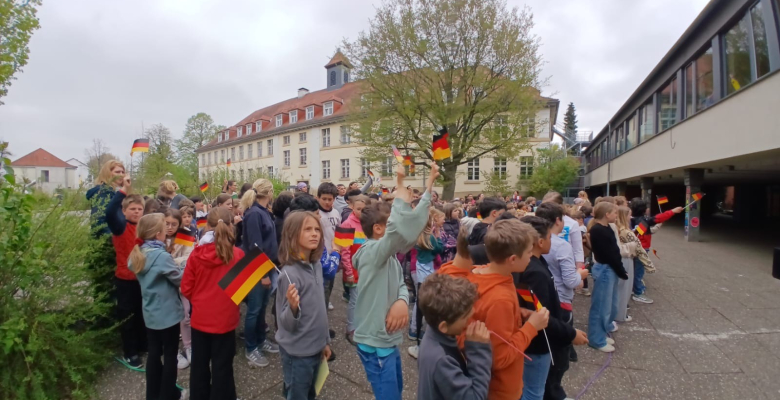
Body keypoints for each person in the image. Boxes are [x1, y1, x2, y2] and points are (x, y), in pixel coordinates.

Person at [353, 163, 439, 400]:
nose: (395, 223)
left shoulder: (389, 258)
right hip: (375, 345)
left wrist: (402, 301)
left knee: (395, 392)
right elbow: (397, 230)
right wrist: (400, 190)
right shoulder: (372, 253)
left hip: (386, 342)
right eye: (389, 221)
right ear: (378, 228)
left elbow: (401, 283)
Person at [460, 218, 549, 400]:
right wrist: (532, 327)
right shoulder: (500, 299)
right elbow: (499, 358)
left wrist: (519, 314)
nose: (531, 256)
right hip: (500, 390)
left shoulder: (478, 273)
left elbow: (487, 320)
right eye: (529, 252)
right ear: (513, 259)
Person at [515, 216, 588, 400]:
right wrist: (571, 334)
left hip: (539, 340)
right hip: (538, 345)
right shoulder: (535, 272)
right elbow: (541, 315)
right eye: (550, 237)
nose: (552, 241)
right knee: (534, 391)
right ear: (539, 242)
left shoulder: (537, 264)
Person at [181, 208, 242, 400]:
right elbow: (242, 289)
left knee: (199, 364)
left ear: (207, 225)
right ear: (231, 226)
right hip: (226, 319)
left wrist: (201, 300)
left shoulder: (197, 254)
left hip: (201, 318)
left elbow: (186, 288)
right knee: (222, 365)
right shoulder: (238, 255)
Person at [275, 211, 333, 400]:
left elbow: (319, 310)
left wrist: (324, 341)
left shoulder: (315, 265)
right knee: (297, 394)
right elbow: (284, 324)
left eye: (317, 229)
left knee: (310, 392)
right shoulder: (289, 275)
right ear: (292, 234)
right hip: (298, 353)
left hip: (315, 347)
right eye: (307, 229)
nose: (315, 233)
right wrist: (292, 308)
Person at [128, 213, 185, 400]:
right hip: (168, 314)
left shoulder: (139, 253)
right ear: (158, 233)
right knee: (170, 355)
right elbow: (180, 280)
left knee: (154, 353)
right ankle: (169, 394)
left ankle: (152, 394)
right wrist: (184, 265)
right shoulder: (160, 256)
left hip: (150, 313)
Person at [416, 273, 492, 400]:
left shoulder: (432, 332)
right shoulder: (442, 360)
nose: (471, 316)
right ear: (443, 326)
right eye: (465, 317)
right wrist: (479, 349)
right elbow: (475, 397)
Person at [536, 203, 588, 369]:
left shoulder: (534, 242)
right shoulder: (561, 246)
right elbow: (570, 281)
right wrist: (580, 275)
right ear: (558, 220)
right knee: (559, 346)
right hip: (562, 300)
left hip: (543, 298)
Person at [105, 176, 147, 369]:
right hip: (125, 279)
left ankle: (142, 345)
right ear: (124, 211)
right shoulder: (120, 226)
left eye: (140, 209)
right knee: (127, 317)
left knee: (141, 314)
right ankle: (130, 352)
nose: (137, 212)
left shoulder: (143, 227)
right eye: (133, 209)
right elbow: (109, 211)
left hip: (142, 278)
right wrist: (123, 190)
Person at [240, 179, 280, 367]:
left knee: (262, 306)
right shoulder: (255, 214)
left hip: (267, 266)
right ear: (270, 193)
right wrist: (263, 274)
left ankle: (261, 339)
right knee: (254, 310)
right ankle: (251, 348)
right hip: (257, 269)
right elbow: (255, 246)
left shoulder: (263, 212)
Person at [587, 202, 634, 353]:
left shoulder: (607, 228)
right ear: (606, 214)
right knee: (602, 307)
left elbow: (613, 251)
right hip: (606, 269)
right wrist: (621, 270)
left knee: (611, 305)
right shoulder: (598, 230)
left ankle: (601, 332)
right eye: (614, 213)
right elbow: (610, 254)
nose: (616, 215)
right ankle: (596, 339)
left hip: (610, 269)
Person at [629, 198, 683, 304]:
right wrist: (673, 211)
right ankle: (638, 293)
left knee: (634, 269)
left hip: (633, 247)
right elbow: (658, 218)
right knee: (639, 271)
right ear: (644, 210)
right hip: (642, 249)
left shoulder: (630, 219)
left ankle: (634, 288)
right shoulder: (644, 221)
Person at [408, 208, 445, 359]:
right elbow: (440, 249)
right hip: (429, 275)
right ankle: (425, 338)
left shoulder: (418, 236)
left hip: (420, 275)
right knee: (428, 305)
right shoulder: (431, 238)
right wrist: (437, 235)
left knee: (419, 305)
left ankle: (415, 334)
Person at [86, 160, 125, 296]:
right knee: (107, 290)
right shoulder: (104, 193)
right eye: (117, 172)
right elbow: (100, 221)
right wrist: (114, 240)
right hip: (105, 247)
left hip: (108, 245)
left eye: (122, 172)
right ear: (107, 174)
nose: (121, 175)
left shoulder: (112, 192)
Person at [340, 194, 369, 345]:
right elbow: (344, 251)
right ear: (352, 207)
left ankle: (361, 325)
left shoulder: (368, 223)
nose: (361, 212)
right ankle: (351, 328)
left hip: (367, 270)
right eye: (358, 209)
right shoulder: (347, 224)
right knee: (355, 300)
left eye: (364, 210)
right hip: (354, 271)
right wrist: (349, 272)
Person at [615, 206, 647, 325]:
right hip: (625, 258)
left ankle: (619, 313)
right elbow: (637, 247)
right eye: (629, 215)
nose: (631, 217)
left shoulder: (619, 229)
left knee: (621, 288)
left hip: (623, 258)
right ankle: (620, 314)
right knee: (624, 288)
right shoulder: (624, 231)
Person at [317, 182, 342, 311]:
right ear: (318, 198)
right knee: (323, 285)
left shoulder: (336, 213)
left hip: (334, 253)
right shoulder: (316, 214)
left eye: (330, 199)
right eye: (324, 199)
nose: (327, 202)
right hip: (320, 256)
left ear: (334, 199)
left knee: (330, 283)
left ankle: (326, 302)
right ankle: (322, 310)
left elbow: (339, 233)